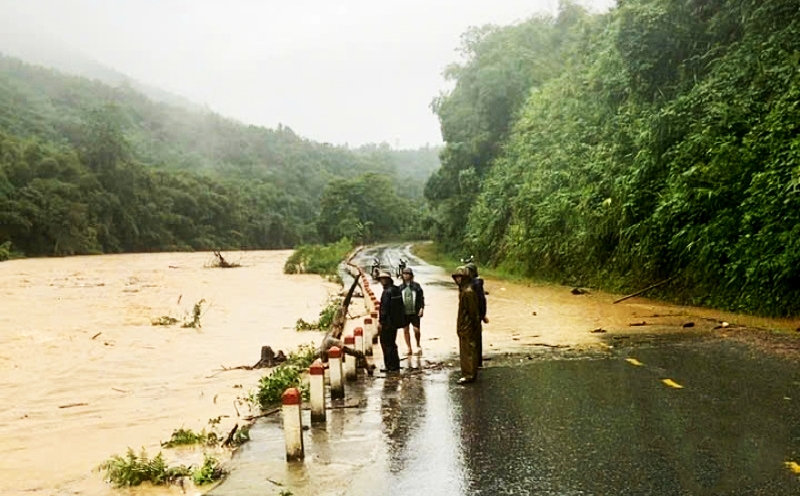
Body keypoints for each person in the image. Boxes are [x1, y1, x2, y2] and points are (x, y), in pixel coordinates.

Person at [452, 265, 481, 384]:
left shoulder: (468, 292)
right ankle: (468, 372)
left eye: (460, 277)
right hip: (464, 326)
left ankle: (469, 374)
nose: (458, 279)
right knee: (466, 351)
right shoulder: (464, 290)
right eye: (457, 277)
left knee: (468, 351)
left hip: (467, 326)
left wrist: (474, 325)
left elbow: (473, 312)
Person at [378, 271, 404, 372]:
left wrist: (381, 322)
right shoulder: (396, 290)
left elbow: (384, 309)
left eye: (383, 279)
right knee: (392, 343)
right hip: (395, 323)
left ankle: (389, 365)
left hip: (387, 323)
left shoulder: (386, 292)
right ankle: (395, 364)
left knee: (386, 344)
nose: (382, 281)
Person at [465, 262, 488, 367]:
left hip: (476, 315)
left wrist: (482, 315)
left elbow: (481, 300)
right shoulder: (469, 284)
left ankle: (476, 361)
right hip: (470, 315)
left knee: (476, 338)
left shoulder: (476, 284)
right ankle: (473, 360)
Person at [399, 267, 425, 356]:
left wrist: (422, 308)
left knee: (416, 329)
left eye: (408, 274)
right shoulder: (400, 288)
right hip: (404, 312)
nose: (406, 276)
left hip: (415, 311)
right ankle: (409, 348)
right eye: (404, 274)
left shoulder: (416, 286)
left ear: (411, 276)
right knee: (406, 330)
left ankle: (418, 345)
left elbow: (421, 298)